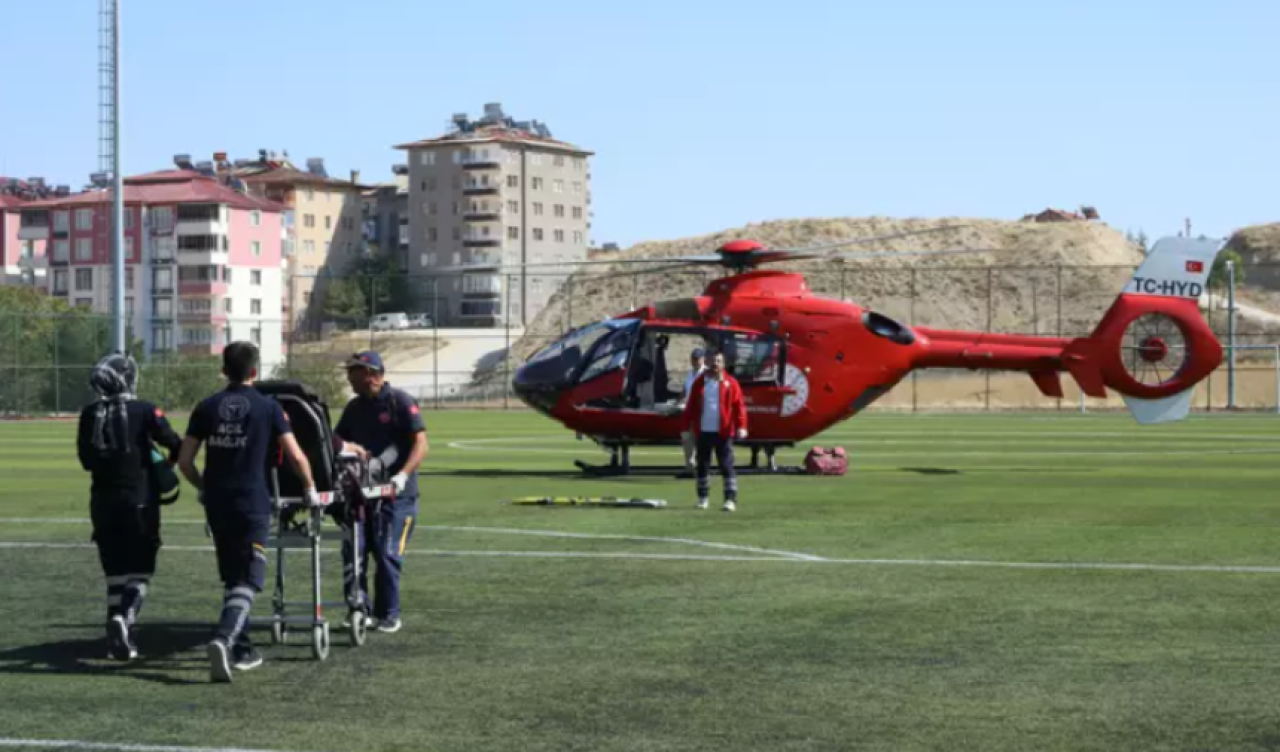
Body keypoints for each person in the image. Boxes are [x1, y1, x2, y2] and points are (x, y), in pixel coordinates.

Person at [177, 341, 318, 683]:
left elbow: (184, 461)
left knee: (231, 577)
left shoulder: (206, 406)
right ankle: (224, 639)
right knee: (250, 578)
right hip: (252, 502)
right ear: (255, 370)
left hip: (218, 503)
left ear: (224, 371)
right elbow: (296, 455)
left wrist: (203, 488)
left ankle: (242, 649)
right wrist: (310, 488)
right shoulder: (269, 408)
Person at [75, 352, 183, 662]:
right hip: (140, 500)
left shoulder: (89, 413)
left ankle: (115, 640)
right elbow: (175, 444)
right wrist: (164, 467)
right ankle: (124, 618)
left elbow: (86, 462)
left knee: (115, 573)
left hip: (102, 502)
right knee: (142, 570)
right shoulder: (145, 410)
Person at [334, 351, 428, 634]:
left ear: (371, 374)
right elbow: (339, 440)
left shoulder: (399, 402)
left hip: (396, 496)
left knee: (387, 554)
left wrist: (401, 476)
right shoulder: (354, 407)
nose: (349, 377)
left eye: (354, 371)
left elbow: (421, 444)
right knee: (356, 552)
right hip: (362, 494)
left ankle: (389, 614)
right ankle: (359, 610)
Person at [681, 350, 747, 512]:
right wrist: (685, 427)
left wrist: (741, 426)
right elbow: (690, 406)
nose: (715, 364)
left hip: (723, 432)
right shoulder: (700, 382)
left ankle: (730, 499)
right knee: (703, 465)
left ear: (723, 364)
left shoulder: (731, 383)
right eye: (712, 361)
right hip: (703, 430)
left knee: (726, 465)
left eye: (718, 361)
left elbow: (739, 407)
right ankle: (703, 498)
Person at [679, 348, 707, 469]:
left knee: (700, 439)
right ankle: (689, 465)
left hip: (702, 411)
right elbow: (685, 390)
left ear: (703, 359)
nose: (695, 361)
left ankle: (700, 465)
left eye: (697, 359)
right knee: (686, 437)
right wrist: (680, 400)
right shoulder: (690, 373)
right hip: (689, 410)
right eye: (693, 359)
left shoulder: (707, 373)